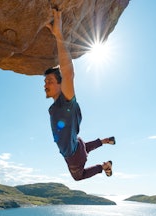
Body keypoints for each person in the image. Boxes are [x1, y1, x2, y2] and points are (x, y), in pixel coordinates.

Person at [44, 8, 115, 181]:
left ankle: (104, 164)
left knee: (78, 175)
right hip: (76, 147)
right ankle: (104, 145)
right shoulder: (59, 105)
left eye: (49, 81)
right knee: (81, 151)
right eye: (45, 82)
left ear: (62, 85)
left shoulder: (66, 101)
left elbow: (68, 74)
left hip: (74, 151)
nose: (45, 85)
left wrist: (59, 35)